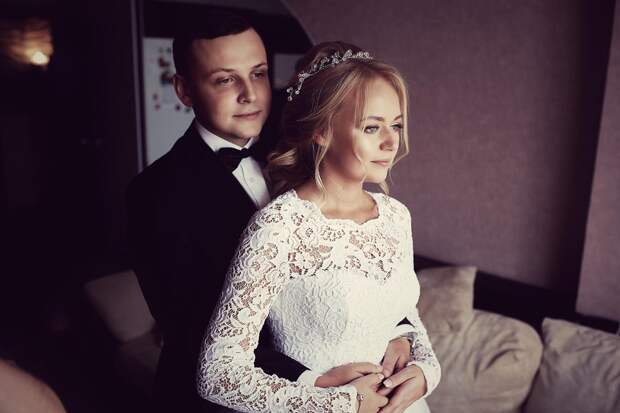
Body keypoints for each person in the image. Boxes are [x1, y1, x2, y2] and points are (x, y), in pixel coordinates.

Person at [127, 13, 415, 412]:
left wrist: (397, 331)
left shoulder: (308, 142)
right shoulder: (154, 194)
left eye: (258, 74)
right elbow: (191, 332)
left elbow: (356, 267)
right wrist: (315, 382)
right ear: (184, 90)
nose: (250, 94)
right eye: (225, 80)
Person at [196, 42, 441, 413]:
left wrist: (426, 371)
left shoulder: (395, 216)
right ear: (321, 131)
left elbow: (407, 315)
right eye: (372, 127)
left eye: (396, 125)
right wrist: (340, 403)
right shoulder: (279, 226)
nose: (391, 142)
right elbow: (217, 374)